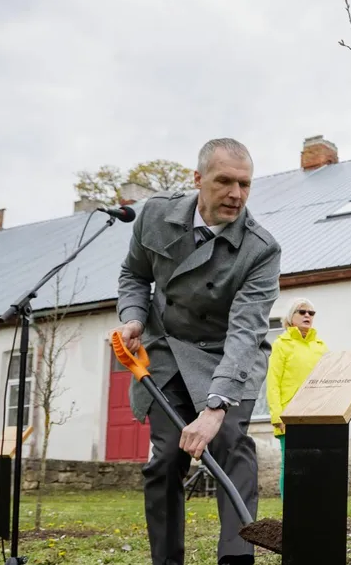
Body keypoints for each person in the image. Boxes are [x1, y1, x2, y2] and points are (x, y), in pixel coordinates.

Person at [115, 138, 280, 565]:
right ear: (198, 179)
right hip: (166, 354)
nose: (236, 194)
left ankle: (236, 559)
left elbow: (246, 332)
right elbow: (134, 273)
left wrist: (215, 406)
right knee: (166, 458)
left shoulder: (260, 249)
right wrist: (133, 317)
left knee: (229, 445)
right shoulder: (155, 215)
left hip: (225, 355)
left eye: (245, 184)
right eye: (224, 181)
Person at [265, 298, 327, 499]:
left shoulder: (320, 346)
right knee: (292, 465)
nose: (307, 315)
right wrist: (277, 414)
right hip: (289, 415)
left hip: (316, 414)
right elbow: (273, 382)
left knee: (316, 465)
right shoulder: (281, 345)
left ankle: (310, 509)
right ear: (290, 317)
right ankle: (290, 511)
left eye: (311, 313)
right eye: (302, 312)